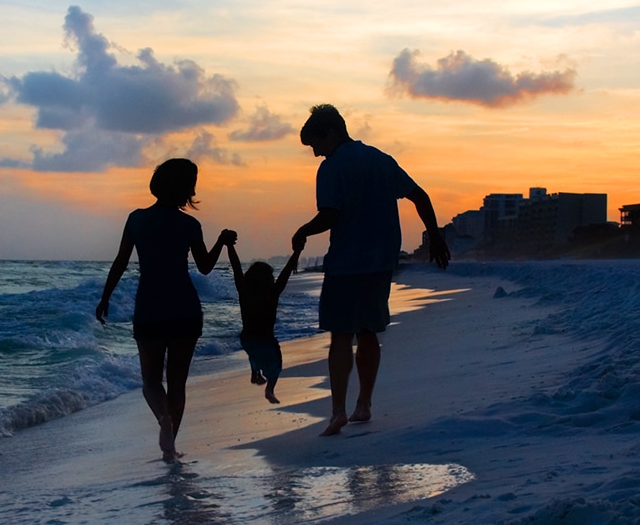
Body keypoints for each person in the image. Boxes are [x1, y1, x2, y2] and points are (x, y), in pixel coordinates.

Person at [290, 104, 450, 437]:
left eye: (316, 145)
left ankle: (337, 411)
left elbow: (330, 215)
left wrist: (303, 230)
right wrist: (435, 237)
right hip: (381, 261)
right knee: (368, 332)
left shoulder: (332, 167)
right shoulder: (380, 159)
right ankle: (363, 404)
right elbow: (419, 196)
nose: (316, 153)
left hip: (346, 262)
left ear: (332, 133)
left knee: (340, 335)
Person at [96, 158, 234, 463]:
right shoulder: (189, 225)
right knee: (178, 383)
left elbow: (120, 262)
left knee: (150, 381)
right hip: (185, 308)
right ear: (188, 188)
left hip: (150, 308)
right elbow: (206, 267)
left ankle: (163, 420)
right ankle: (170, 449)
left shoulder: (136, 219)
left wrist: (105, 297)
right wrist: (222, 242)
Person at [227, 243, 301, 405]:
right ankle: (270, 389)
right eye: (271, 277)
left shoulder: (244, 291)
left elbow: (236, 267)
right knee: (276, 366)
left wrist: (229, 246)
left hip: (246, 338)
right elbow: (286, 273)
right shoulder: (272, 294)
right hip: (266, 339)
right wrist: (297, 253)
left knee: (254, 353)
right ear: (267, 280)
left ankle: (255, 372)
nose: (274, 279)